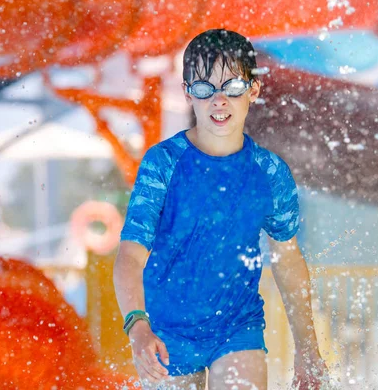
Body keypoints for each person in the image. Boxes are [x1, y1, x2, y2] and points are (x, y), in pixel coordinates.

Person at [114, 29, 327, 390]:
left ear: (253, 90)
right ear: (187, 93)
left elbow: (287, 259)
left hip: (237, 325)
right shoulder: (163, 164)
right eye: (203, 88)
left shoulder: (270, 173)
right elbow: (130, 255)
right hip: (167, 331)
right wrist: (137, 325)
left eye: (231, 87)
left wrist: (308, 348)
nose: (218, 100)